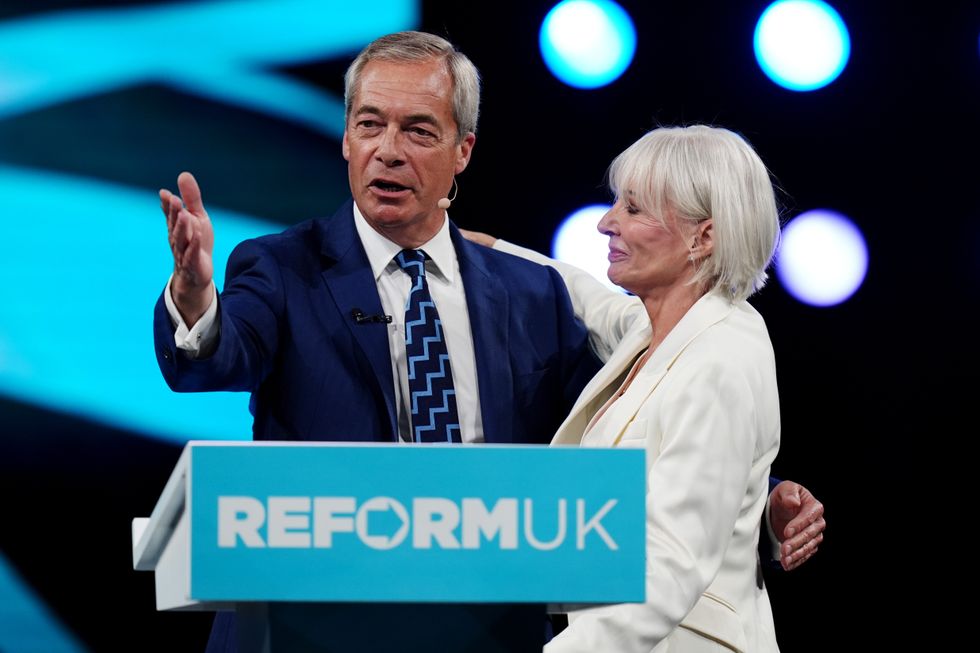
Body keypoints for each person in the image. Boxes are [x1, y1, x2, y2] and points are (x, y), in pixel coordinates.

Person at [155, 30, 821, 650]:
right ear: (346, 141)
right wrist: (192, 298)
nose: (388, 149)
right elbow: (221, 350)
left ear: (462, 150)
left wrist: (758, 496)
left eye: (418, 130)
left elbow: (628, 430)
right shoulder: (282, 267)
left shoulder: (532, 298)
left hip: (486, 632)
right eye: (369, 125)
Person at [464, 124, 808, 651]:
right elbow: (586, 299)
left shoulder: (722, 356)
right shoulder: (657, 329)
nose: (606, 223)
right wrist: (490, 252)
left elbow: (673, 561)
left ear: (705, 236)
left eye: (633, 208)